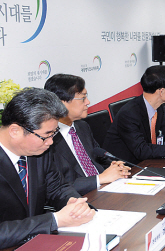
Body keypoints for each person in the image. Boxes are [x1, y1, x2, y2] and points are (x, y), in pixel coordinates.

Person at [0, 88, 95, 248]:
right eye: (46, 135)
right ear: (15, 131)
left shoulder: (39, 151)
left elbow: (58, 187)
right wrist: (55, 220)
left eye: (54, 134)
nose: (51, 142)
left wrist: (73, 203)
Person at [45, 74, 130, 196]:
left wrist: (115, 166)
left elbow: (99, 157)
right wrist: (100, 179)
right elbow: (58, 186)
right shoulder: (47, 139)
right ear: (61, 103)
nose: (88, 102)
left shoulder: (82, 126)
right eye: (83, 98)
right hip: (79, 199)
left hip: (105, 190)